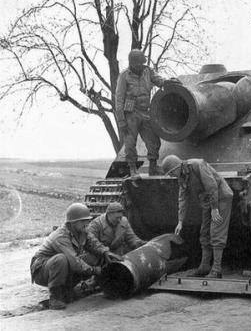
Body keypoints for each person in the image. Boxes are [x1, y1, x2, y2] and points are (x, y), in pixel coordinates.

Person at [30, 203, 120, 310]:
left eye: (87, 220)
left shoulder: (81, 231)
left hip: (59, 267)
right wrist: (94, 270)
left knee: (96, 257)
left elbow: (93, 243)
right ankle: (55, 297)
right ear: (72, 223)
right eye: (83, 221)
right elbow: (75, 262)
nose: (87, 223)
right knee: (61, 259)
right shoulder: (60, 236)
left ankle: (67, 290)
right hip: (42, 270)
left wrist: (105, 252)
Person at [161, 155, 233, 279]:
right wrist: (180, 221)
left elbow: (212, 187)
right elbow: (182, 198)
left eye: (172, 172)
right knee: (204, 232)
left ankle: (216, 270)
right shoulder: (182, 177)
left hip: (221, 197)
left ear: (177, 167)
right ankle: (204, 266)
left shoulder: (197, 165)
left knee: (216, 231)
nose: (171, 176)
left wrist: (215, 208)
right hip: (207, 201)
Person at [115, 49, 181, 177]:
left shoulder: (147, 71)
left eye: (142, 62)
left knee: (154, 140)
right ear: (132, 63)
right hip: (130, 113)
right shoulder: (124, 76)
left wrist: (167, 82)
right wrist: (121, 120)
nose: (141, 65)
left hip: (145, 111)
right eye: (139, 63)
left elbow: (158, 80)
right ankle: (133, 169)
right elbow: (119, 99)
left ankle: (153, 166)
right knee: (130, 143)